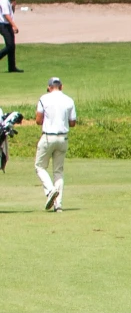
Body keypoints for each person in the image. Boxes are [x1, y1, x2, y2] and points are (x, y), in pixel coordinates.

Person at [34, 75, 77, 212]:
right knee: (58, 171)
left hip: (48, 137)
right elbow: (72, 123)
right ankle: (58, 205)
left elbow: (38, 120)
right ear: (61, 86)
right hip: (63, 138)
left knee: (40, 166)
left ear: (49, 87)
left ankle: (51, 190)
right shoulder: (69, 100)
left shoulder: (44, 98)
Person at [0, 0, 21, 73]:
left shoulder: (8, 1)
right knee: (9, 45)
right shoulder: (4, 1)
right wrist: (14, 26)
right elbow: (6, 15)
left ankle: (12, 67)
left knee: (12, 46)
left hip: (7, 25)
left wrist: (13, 7)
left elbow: (11, 14)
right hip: (3, 25)